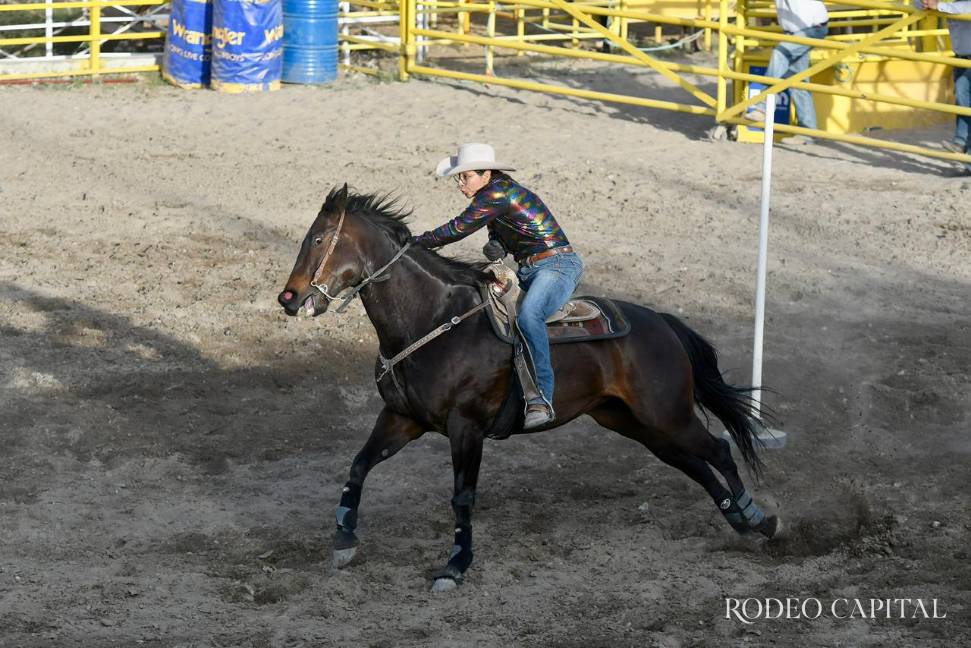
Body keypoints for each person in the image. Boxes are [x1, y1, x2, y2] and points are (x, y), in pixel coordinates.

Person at [412, 143, 584, 429]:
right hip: (533, 268)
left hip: (557, 266)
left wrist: (415, 243)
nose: (460, 184)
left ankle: (541, 398)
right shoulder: (498, 193)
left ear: (486, 173)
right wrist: (497, 246)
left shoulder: (496, 194)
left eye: (465, 177)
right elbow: (506, 234)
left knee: (529, 316)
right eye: (459, 178)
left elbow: (457, 228)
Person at [749, 0, 829, 144]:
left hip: (811, 29)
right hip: (798, 31)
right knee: (798, 83)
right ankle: (807, 132)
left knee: (780, 53)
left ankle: (763, 106)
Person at [918, 0, 971, 175]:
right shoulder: (953, 4)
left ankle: (965, 151)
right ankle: (961, 143)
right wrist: (925, 2)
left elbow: (966, 7)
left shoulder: (956, 5)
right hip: (961, 57)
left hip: (965, 57)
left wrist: (938, 6)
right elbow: (918, 6)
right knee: (962, 100)